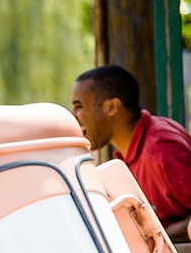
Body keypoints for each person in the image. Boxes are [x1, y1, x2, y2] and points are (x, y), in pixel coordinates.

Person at [70, 64, 191, 241]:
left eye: (78, 106)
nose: (73, 116)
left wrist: (154, 236)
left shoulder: (161, 149)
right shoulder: (126, 156)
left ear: (112, 107)